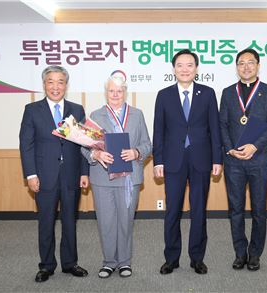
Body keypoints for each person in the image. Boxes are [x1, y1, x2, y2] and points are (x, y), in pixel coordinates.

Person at [153, 49, 222, 275]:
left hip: (201, 160)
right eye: (180, 65)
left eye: (189, 65)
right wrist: (158, 160)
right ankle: (171, 258)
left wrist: (217, 159)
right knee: (172, 211)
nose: (185, 69)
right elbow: (158, 130)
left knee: (199, 211)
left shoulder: (208, 93)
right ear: (174, 69)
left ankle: (197, 258)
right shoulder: (163, 95)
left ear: (196, 69)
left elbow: (215, 128)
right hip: (173, 161)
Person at [19, 65, 90, 282]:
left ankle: (70, 263)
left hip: (71, 175)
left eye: (60, 82)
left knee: (70, 221)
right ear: (44, 84)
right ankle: (47, 265)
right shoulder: (32, 110)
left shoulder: (76, 110)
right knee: (46, 221)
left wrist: (84, 172)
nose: (55, 86)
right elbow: (26, 145)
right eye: (51, 81)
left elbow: (84, 145)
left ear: (66, 85)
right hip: (44, 176)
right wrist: (31, 175)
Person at [82, 76, 151, 279]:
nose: (115, 95)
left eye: (119, 91)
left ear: (125, 93)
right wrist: (96, 154)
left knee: (125, 221)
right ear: (106, 93)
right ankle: (109, 262)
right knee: (106, 221)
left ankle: (124, 262)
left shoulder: (137, 115)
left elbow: (148, 145)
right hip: (103, 178)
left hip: (130, 178)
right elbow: (85, 148)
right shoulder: (95, 115)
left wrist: (137, 152)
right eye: (111, 91)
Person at [219, 48, 267, 271]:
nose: (246, 67)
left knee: (258, 210)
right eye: (241, 63)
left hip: (259, 160)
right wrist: (230, 149)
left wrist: (255, 146)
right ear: (236, 67)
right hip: (234, 161)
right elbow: (222, 124)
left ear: (258, 65)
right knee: (235, 209)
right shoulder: (227, 93)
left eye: (250, 62)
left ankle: (255, 254)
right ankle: (240, 253)